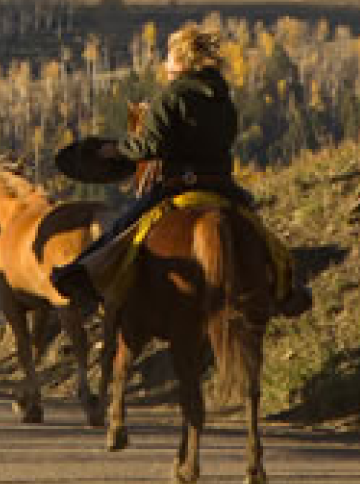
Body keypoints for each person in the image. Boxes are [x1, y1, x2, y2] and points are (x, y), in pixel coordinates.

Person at [50, 23, 310, 316]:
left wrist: (116, 149)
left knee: (121, 230)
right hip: (222, 186)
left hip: (179, 185)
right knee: (260, 233)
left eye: (169, 57)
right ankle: (287, 287)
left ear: (183, 61)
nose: (165, 63)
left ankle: (80, 275)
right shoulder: (223, 99)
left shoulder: (171, 97)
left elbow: (150, 147)